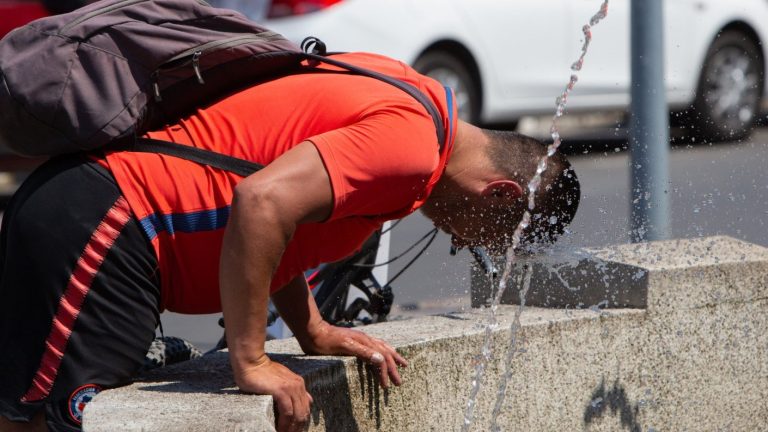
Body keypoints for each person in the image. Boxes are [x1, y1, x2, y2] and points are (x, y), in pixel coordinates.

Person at [0, 51, 579, 432]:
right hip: (110, 224)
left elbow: (281, 223)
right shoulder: (409, 151)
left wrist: (312, 331)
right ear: (501, 194)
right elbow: (261, 202)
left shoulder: (418, 99)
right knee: (55, 421)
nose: (458, 239)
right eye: (483, 239)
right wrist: (250, 362)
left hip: (107, 218)